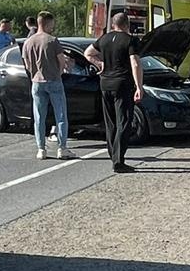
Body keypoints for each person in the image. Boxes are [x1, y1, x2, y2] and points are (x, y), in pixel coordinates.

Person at [85, 12, 144, 173]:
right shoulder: (131, 40)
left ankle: (113, 155)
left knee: (110, 122)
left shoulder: (103, 39)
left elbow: (88, 53)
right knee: (124, 121)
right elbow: (135, 63)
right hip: (122, 84)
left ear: (113, 24)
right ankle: (118, 160)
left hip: (105, 84)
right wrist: (139, 86)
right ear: (127, 24)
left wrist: (100, 64)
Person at [22, 10, 75, 160]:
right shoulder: (52, 40)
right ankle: (62, 148)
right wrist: (59, 73)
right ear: (47, 22)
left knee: (39, 116)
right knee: (61, 115)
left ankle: (41, 149)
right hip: (53, 80)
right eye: (52, 23)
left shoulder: (28, 42)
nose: (53, 26)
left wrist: (34, 74)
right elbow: (61, 61)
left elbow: (26, 63)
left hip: (36, 82)